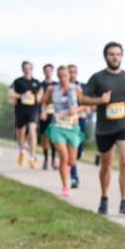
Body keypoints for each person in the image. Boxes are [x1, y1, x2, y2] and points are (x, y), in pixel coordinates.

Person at [81, 42, 125, 215]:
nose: (115, 57)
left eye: (118, 54)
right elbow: (83, 98)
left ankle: (124, 201)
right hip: (104, 128)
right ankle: (104, 198)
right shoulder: (97, 78)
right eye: (112, 54)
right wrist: (99, 101)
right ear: (106, 56)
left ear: (122, 56)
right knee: (106, 165)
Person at [42, 65, 84, 197]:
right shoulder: (52, 89)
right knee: (63, 156)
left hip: (72, 127)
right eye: (60, 76)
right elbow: (44, 102)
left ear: (69, 76)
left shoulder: (76, 89)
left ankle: (68, 172)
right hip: (57, 126)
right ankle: (65, 186)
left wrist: (76, 110)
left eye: (65, 76)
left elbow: (86, 103)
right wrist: (44, 111)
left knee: (72, 161)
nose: (62, 79)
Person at [8, 61, 42, 168]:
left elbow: (41, 94)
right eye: (25, 68)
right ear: (22, 69)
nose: (27, 69)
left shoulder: (36, 82)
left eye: (29, 68)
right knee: (21, 134)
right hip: (20, 110)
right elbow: (10, 93)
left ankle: (32, 157)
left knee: (32, 131)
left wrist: (35, 97)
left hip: (33, 109)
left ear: (32, 69)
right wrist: (22, 95)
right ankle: (22, 150)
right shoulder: (18, 81)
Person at [67, 64, 89, 188]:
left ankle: (76, 157)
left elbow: (87, 103)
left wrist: (77, 109)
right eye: (70, 72)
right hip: (67, 123)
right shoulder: (61, 88)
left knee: (78, 151)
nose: (72, 74)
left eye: (74, 72)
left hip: (80, 120)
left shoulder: (82, 87)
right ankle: (74, 177)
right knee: (72, 150)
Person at [38, 63, 57, 170]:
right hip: (44, 114)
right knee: (45, 138)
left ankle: (53, 160)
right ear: (44, 72)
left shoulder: (56, 85)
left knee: (54, 138)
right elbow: (40, 100)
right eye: (46, 70)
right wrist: (42, 112)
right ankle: (45, 160)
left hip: (54, 114)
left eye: (50, 70)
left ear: (52, 71)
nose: (48, 72)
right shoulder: (41, 85)